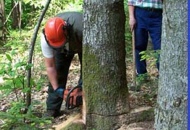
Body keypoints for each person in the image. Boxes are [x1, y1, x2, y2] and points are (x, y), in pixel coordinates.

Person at [40, 11, 83, 117]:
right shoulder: (46, 38)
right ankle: (52, 109)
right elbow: (50, 67)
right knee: (58, 70)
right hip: (64, 47)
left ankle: (85, 99)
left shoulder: (82, 27)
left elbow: (92, 62)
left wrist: (82, 86)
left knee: (87, 69)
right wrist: (57, 89)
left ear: (66, 30)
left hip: (82, 42)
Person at [128, 0, 163, 90]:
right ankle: (141, 75)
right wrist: (131, 17)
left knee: (160, 47)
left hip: (158, 14)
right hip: (140, 13)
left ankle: (162, 76)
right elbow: (131, 1)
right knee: (139, 46)